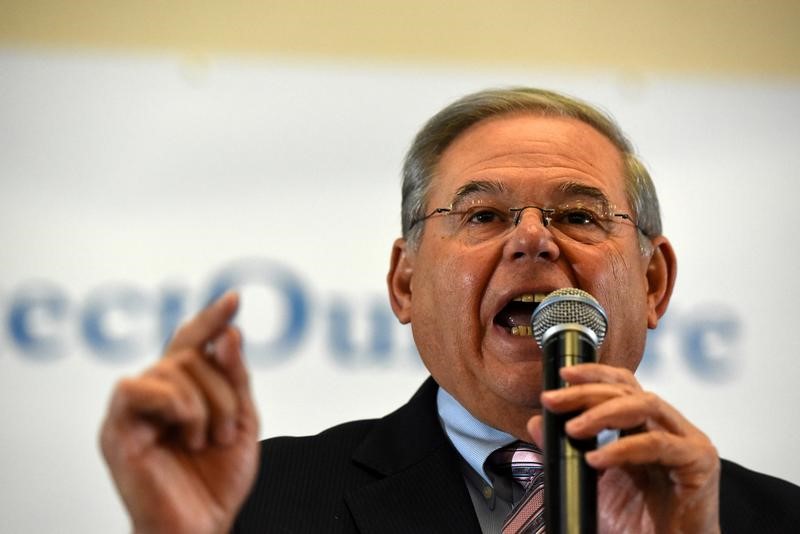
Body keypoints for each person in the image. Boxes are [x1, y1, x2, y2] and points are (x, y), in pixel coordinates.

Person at [100, 87, 800, 533]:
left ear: (653, 283)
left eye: (580, 215)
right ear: (404, 283)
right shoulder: (258, 505)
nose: (533, 239)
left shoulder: (773, 518)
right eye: (484, 214)